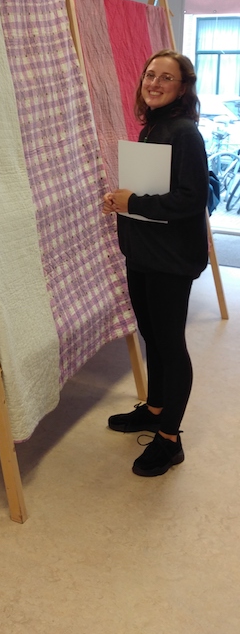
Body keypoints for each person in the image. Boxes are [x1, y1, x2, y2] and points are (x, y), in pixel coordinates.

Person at [103, 49, 209, 477]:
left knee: (169, 344)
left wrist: (135, 202)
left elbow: (192, 198)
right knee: (152, 336)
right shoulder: (152, 129)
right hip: (143, 252)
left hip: (170, 259)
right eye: (150, 75)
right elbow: (149, 190)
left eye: (166, 77)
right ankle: (155, 409)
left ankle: (169, 440)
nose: (155, 83)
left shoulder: (184, 133)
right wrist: (121, 201)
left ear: (182, 88)